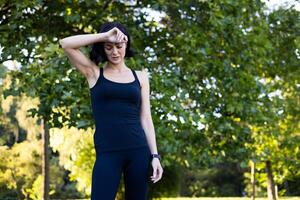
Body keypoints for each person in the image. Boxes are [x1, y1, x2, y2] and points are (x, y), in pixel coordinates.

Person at [59, 21, 163, 200]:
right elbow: (65, 43)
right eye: (109, 47)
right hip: (108, 153)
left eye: (119, 46)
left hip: (138, 151)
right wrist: (105, 35)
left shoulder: (141, 77)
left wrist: (155, 156)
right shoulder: (94, 73)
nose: (115, 52)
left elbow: (146, 118)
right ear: (103, 48)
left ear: (126, 45)